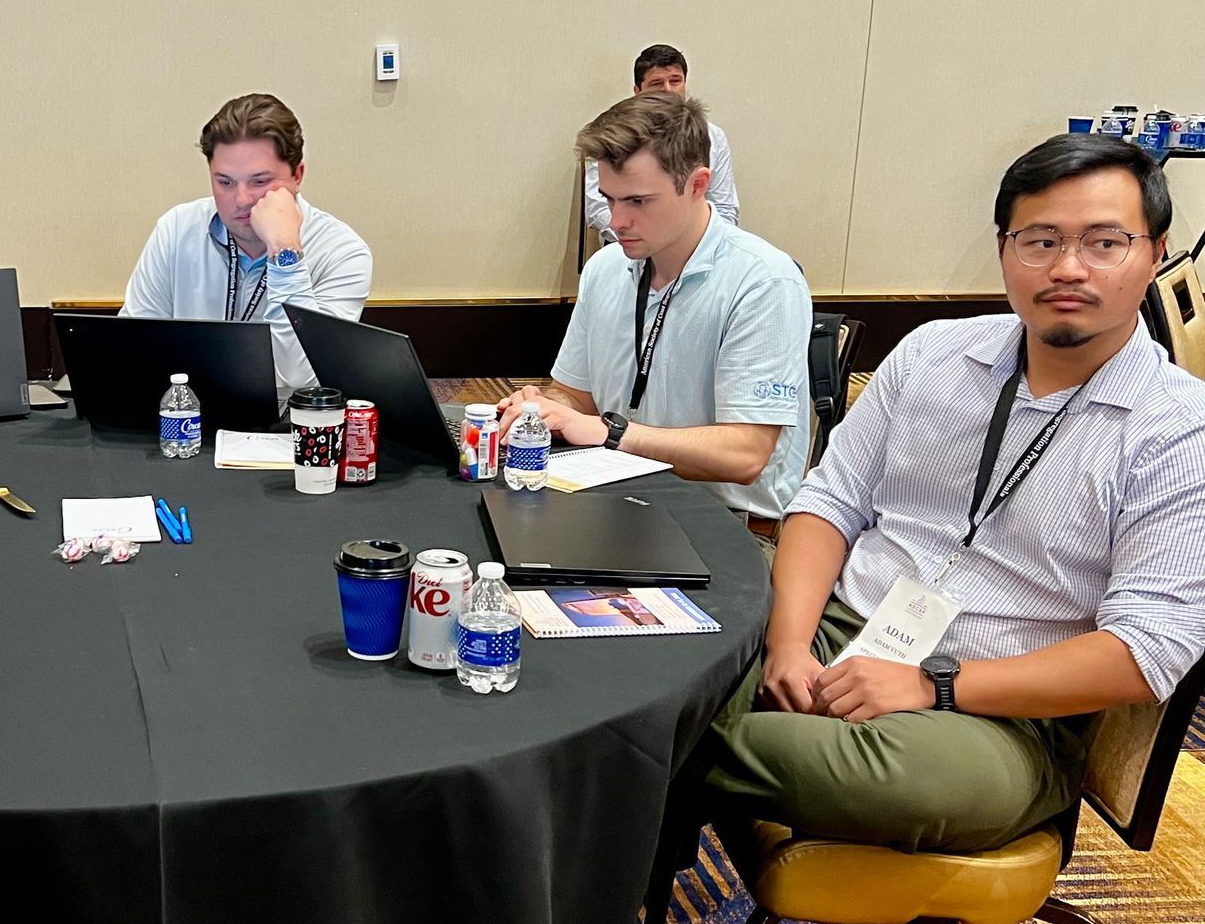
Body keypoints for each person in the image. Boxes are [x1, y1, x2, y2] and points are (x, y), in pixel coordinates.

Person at [703, 133, 1205, 853]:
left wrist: (932, 685)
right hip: (837, 627)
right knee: (674, 642)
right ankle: (683, 743)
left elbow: (1145, 650)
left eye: (1104, 243)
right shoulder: (933, 354)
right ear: (1004, 249)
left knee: (905, 782)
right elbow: (828, 502)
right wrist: (787, 647)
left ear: (1154, 256)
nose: (1068, 267)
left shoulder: (1180, 430)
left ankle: (667, 745)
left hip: (998, 714)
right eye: (1040, 241)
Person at [502, 92, 810, 536]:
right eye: (609, 199)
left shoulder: (763, 281)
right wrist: (548, 411)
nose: (616, 221)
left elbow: (744, 455)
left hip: (723, 525)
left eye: (638, 201)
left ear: (698, 184)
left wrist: (609, 433)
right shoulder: (606, 269)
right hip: (612, 501)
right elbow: (576, 396)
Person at [121, 93, 372, 393]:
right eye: (225, 182)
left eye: (259, 181)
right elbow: (131, 351)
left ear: (297, 175)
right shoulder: (176, 230)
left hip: (287, 420)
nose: (242, 200)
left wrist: (284, 253)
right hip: (187, 412)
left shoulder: (343, 253)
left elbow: (301, 379)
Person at [583, 44, 739, 241]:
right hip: (626, 244)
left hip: (697, 245)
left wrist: (699, 246)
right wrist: (643, 237)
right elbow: (598, 207)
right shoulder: (613, 134)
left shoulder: (713, 137)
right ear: (638, 91)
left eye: (675, 81)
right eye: (657, 83)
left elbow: (725, 208)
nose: (668, 90)